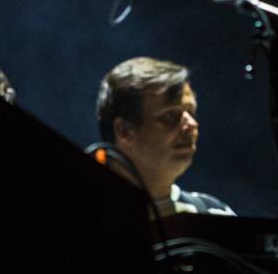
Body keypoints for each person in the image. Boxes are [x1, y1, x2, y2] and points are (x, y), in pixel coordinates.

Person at [95, 57, 234, 216]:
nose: (191, 125)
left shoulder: (215, 214)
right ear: (124, 131)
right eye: (170, 116)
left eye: (191, 112)